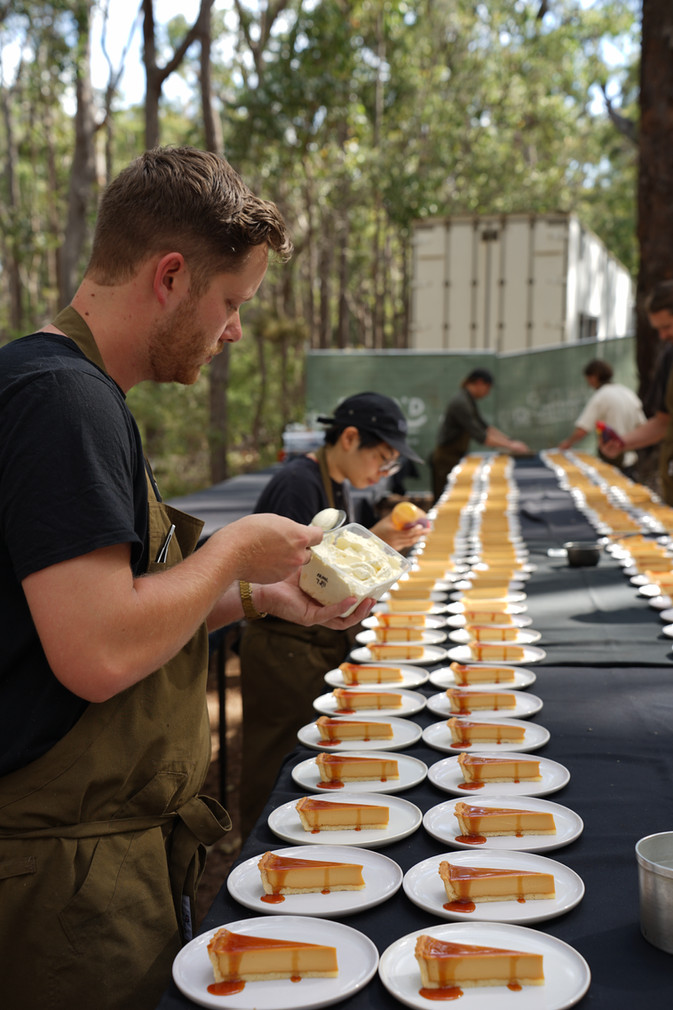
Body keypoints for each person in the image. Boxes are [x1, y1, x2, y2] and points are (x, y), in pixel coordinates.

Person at [0, 146, 373, 1010]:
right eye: (231, 302)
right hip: (62, 885)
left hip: (85, 861)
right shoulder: (64, 401)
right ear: (171, 275)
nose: (233, 330)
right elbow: (94, 652)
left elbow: (109, 610)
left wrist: (255, 596)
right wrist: (234, 551)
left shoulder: (64, 388)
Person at [238, 392, 425, 836]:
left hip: (309, 640)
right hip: (282, 646)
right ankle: (257, 847)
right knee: (276, 759)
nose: (383, 472)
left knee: (303, 757)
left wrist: (374, 543)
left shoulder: (336, 484)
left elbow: (330, 558)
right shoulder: (297, 484)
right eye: (382, 458)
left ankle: (295, 836)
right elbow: (281, 575)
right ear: (349, 437)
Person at [603, 281, 673, 503]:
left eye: (667, 327)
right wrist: (623, 442)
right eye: (659, 329)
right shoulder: (669, 359)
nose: (663, 336)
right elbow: (663, 422)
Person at [429, 367, 530, 500]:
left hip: (455, 457)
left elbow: (485, 427)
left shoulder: (468, 400)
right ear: (479, 383)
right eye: (487, 388)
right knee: (443, 499)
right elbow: (482, 436)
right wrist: (511, 446)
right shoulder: (461, 403)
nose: (487, 393)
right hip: (445, 459)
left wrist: (510, 441)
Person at [558, 358, 645, 474]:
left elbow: (582, 430)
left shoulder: (601, 396)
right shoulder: (628, 393)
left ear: (594, 377)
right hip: (632, 460)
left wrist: (567, 443)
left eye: (588, 379)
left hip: (612, 459)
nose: (588, 383)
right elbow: (642, 426)